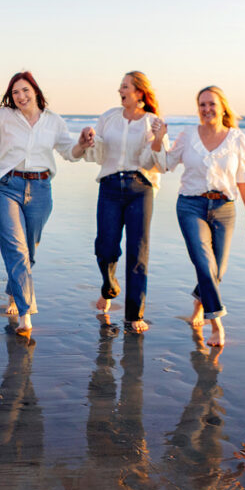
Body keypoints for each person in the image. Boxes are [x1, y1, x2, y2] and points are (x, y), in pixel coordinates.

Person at [0, 70, 93, 335]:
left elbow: (70, 153)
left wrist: (82, 144)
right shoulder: (5, 117)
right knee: (16, 250)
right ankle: (26, 313)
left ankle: (14, 290)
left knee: (29, 251)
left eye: (25, 90)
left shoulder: (54, 122)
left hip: (40, 190)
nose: (21, 96)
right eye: (15, 93)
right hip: (6, 188)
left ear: (35, 91)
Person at [151, 86, 245, 347]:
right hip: (190, 206)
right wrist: (158, 139)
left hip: (224, 209)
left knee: (217, 270)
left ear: (223, 107)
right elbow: (165, 164)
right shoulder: (188, 136)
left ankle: (200, 304)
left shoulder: (237, 139)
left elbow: (243, 178)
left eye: (212, 104)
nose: (207, 109)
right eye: (202, 105)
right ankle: (217, 323)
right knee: (203, 262)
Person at [81, 71, 165, 332]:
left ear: (139, 92)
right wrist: (92, 138)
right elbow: (97, 153)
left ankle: (133, 315)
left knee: (138, 251)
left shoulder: (153, 122)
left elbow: (156, 163)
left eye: (125, 86)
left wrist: (159, 139)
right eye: (120, 86)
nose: (120, 90)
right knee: (105, 246)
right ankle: (109, 284)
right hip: (109, 186)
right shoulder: (108, 117)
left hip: (141, 188)